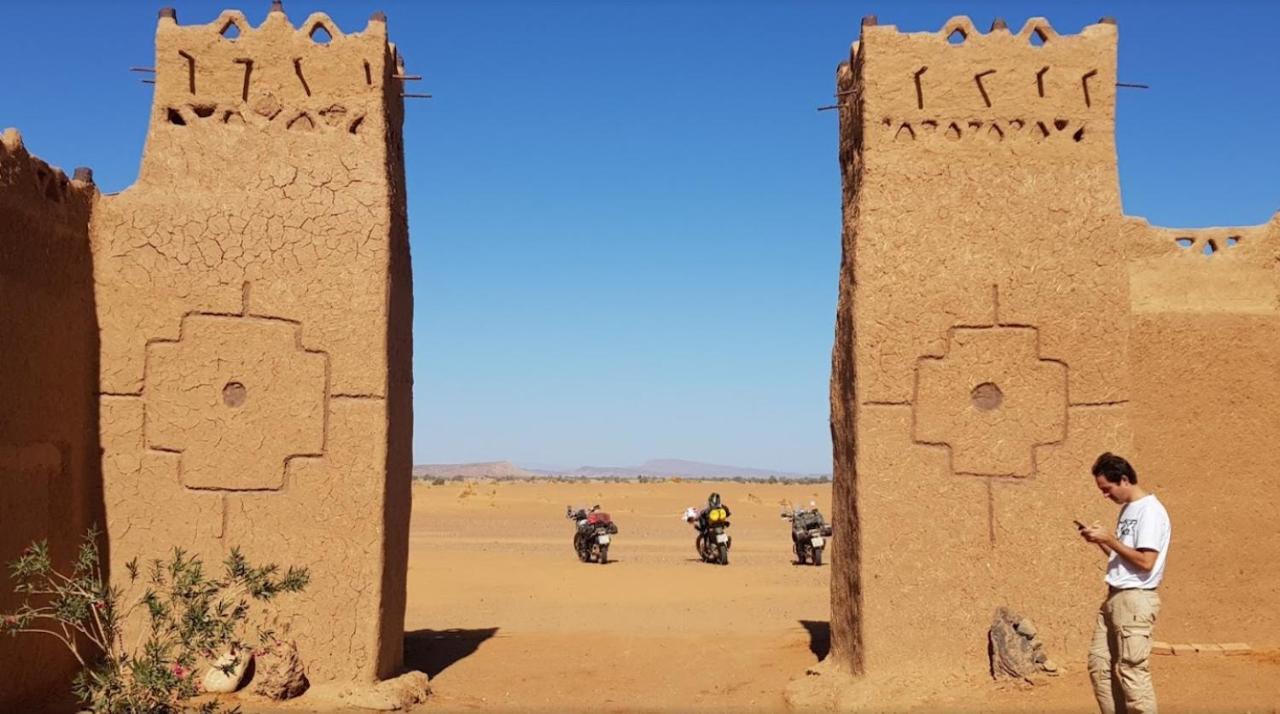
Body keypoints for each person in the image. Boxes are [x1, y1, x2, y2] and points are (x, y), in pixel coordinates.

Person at [1079, 452, 1171, 714]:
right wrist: (1101, 542)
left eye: (1107, 489)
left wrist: (1110, 539)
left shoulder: (1150, 511)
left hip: (1136, 599)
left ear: (1123, 479)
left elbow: (1146, 562)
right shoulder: (1128, 510)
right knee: (1100, 665)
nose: (1105, 496)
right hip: (1115, 596)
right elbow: (1124, 558)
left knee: (1132, 671)